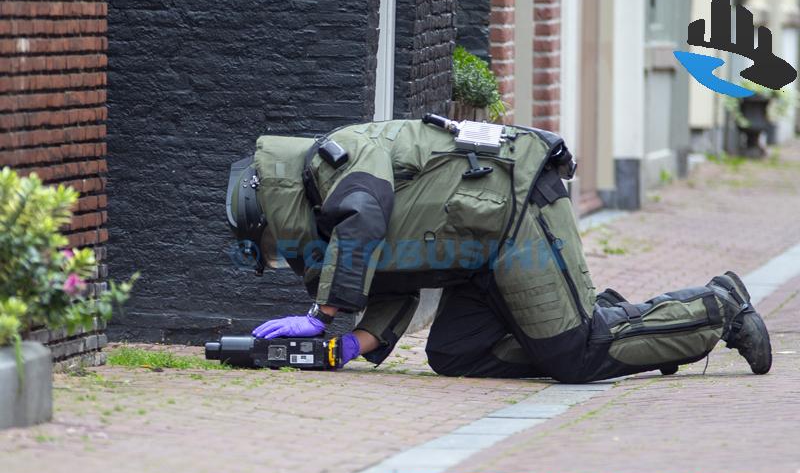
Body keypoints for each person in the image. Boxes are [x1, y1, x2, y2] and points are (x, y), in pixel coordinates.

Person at [226, 117, 771, 382]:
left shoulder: (334, 160)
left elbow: (365, 218)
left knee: (575, 357)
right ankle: (617, 323)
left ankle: (717, 307)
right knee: (454, 354)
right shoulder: (328, 212)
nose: (283, 258)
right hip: (480, 256)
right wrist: (350, 345)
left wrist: (326, 318)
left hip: (517, 214)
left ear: (272, 213)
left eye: (273, 249)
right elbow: (393, 276)